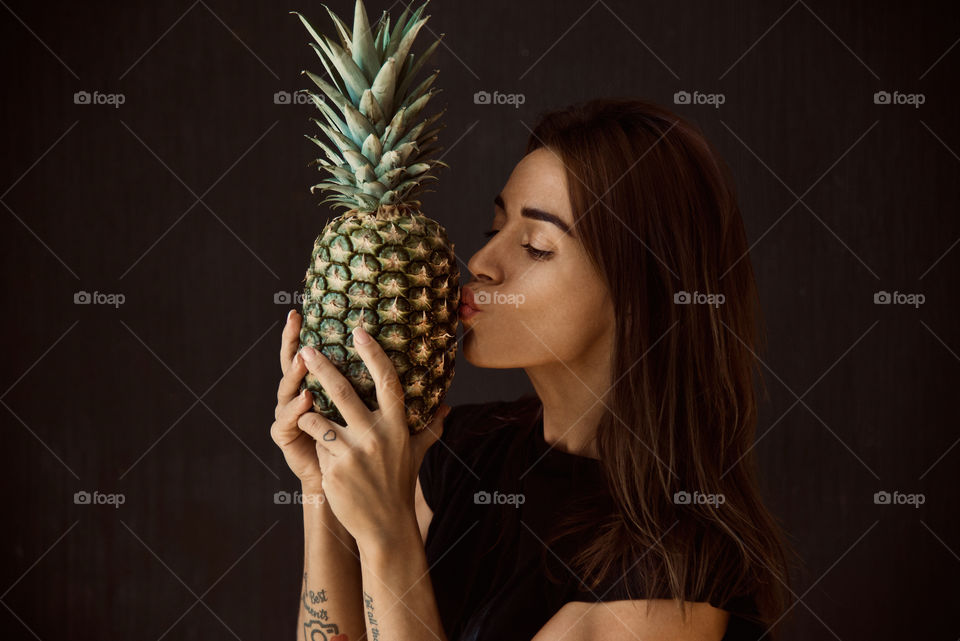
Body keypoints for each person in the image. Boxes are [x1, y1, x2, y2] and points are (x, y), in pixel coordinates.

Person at [271, 97, 798, 640]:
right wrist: (321, 490)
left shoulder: (670, 579)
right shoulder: (461, 452)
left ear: (641, 291)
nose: (479, 264)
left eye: (536, 246)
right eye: (492, 229)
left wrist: (386, 537)